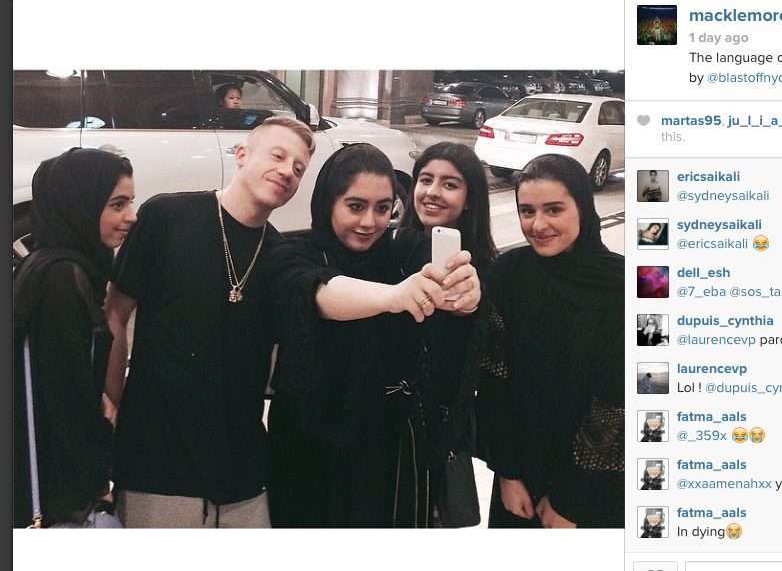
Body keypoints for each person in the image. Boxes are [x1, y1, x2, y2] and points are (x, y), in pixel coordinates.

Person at [104, 116, 315, 528]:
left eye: (298, 167)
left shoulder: (280, 255)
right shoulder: (167, 216)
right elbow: (115, 313)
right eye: (277, 156)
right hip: (156, 460)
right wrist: (108, 409)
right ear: (242, 155)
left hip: (241, 469)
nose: (287, 171)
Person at [265, 143, 481, 528]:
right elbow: (318, 293)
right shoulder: (293, 252)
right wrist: (393, 296)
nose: (369, 222)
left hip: (390, 440)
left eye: (382, 208)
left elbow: (443, 284)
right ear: (328, 203)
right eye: (355, 206)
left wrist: (465, 297)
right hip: (310, 441)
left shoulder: (403, 247)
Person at [476, 153, 625, 529]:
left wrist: (572, 500)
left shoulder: (633, 285)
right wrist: (508, 473)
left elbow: (622, 402)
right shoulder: (510, 273)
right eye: (527, 211)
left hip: (597, 484)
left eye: (554, 209)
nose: (538, 225)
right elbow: (494, 379)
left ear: (583, 207)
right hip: (521, 474)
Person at [13, 148, 136, 528]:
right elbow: (67, 399)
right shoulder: (63, 278)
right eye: (117, 204)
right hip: (55, 486)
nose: (131, 216)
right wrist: (98, 480)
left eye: (130, 202)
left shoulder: (46, 261)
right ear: (79, 204)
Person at [398, 141, 498, 527]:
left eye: (450, 184)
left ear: (470, 199)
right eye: (425, 180)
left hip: (436, 435)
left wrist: (469, 307)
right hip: (386, 430)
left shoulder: (483, 273)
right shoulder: (392, 248)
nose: (432, 192)